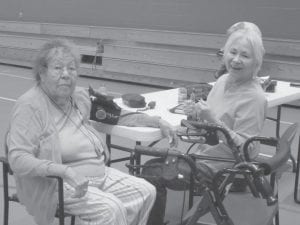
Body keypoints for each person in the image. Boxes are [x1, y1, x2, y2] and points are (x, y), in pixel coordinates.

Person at [7, 38, 177, 225]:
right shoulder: (30, 106)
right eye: (58, 68)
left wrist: (157, 121)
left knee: (146, 191)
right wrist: (64, 171)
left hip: (97, 173)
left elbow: (115, 115)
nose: (66, 74)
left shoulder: (78, 96)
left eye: (71, 69)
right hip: (56, 183)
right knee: (111, 209)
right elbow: (17, 158)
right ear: (42, 72)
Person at [144, 28, 268, 225]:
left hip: (222, 170)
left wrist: (214, 121)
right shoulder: (222, 81)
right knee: (151, 166)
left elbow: (248, 151)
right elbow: (208, 129)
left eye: (245, 55)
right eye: (233, 52)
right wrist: (196, 115)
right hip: (204, 156)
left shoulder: (254, 97)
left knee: (150, 172)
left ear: (256, 62)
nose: (236, 59)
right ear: (224, 53)